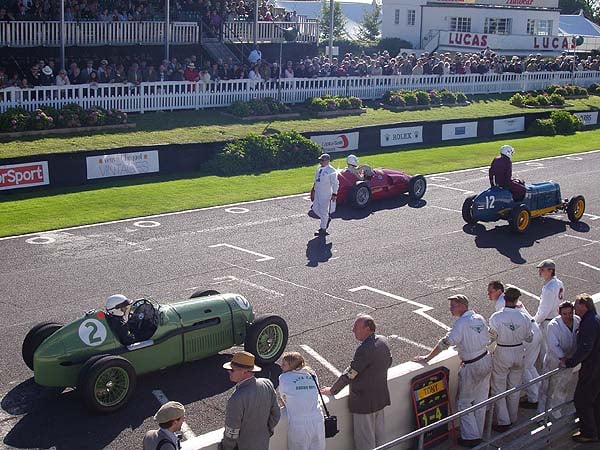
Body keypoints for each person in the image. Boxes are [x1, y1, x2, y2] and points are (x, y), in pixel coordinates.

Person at [414, 295, 491, 448]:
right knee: (481, 400)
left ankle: (471, 437)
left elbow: (446, 342)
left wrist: (427, 358)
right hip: (486, 359)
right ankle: (479, 433)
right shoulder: (479, 318)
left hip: (472, 365)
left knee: (463, 402)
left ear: (463, 306)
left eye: (453, 305)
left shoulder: (461, 324)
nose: (450, 308)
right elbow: (490, 335)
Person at [321, 314, 392, 450]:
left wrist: (333, 390)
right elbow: (388, 362)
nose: (353, 330)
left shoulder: (364, 349)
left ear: (367, 329)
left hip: (364, 403)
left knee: (365, 440)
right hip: (380, 398)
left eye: (356, 328)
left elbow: (351, 373)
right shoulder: (383, 341)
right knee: (381, 437)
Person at [487, 281, 541, 409]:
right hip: (534, 329)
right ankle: (539, 393)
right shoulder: (507, 299)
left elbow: (506, 326)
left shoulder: (501, 303)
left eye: (490, 291)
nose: (488, 294)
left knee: (525, 368)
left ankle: (534, 398)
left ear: (499, 291)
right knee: (530, 366)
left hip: (526, 335)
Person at [489, 287, 533, 432]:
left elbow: (492, 338)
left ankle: (503, 420)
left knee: (499, 387)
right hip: (519, 351)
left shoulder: (496, 317)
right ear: (516, 300)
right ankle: (513, 417)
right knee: (514, 386)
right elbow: (529, 337)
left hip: (503, 351)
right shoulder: (524, 317)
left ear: (505, 299)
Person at [220, 351, 280, 450]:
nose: (228, 371)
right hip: (263, 443)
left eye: (232, 370)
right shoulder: (267, 384)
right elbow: (276, 414)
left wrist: (227, 447)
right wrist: (265, 432)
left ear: (244, 372)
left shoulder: (236, 399)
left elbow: (231, 432)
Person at [561, 294, 600, 443]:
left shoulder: (588, 323)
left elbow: (585, 348)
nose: (574, 307)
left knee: (582, 400)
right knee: (595, 400)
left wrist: (570, 362)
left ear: (584, 306)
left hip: (593, 368)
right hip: (597, 366)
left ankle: (589, 432)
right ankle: (596, 429)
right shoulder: (594, 319)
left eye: (576, 304)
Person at [537, 301, 579, 418]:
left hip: (569, 361)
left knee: (562, 387)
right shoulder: (553, 325)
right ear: (559, 314)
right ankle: (541, 414)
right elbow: (553, 345)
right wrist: (562, 358)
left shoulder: (577, 321)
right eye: (564, 314)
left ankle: (556, 412)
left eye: (570, 313)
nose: (568, 316)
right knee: (546, 388)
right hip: (554, 361)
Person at [278, 352, 325, 450]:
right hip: (318, 419)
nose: (281, 366)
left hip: (298, 423)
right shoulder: (312, 374)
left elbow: (283, 398)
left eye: (284, 364)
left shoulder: (284, 378)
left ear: (292, 366)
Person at [534, 259, 564, 364]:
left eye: (542, 269)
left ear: (551, 270)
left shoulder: (549, 288)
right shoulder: (559, 283)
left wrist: (535, 321)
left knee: (545, 351)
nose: (540, 272)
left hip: (548, 323)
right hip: (557, 319)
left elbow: (544, 310)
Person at [311, 153, 338, 236]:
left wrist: (334, 194)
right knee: (315, 209)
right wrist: (313, 190)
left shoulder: (331, 170)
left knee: (323, 211)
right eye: (320, 160)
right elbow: (316, 180)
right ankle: (326, 219)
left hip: (326, 194)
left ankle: (323, 229)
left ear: (327, 161)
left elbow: (335, 183)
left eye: (322, 160)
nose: (320, 162)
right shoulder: (318, 168)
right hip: (318, 192)